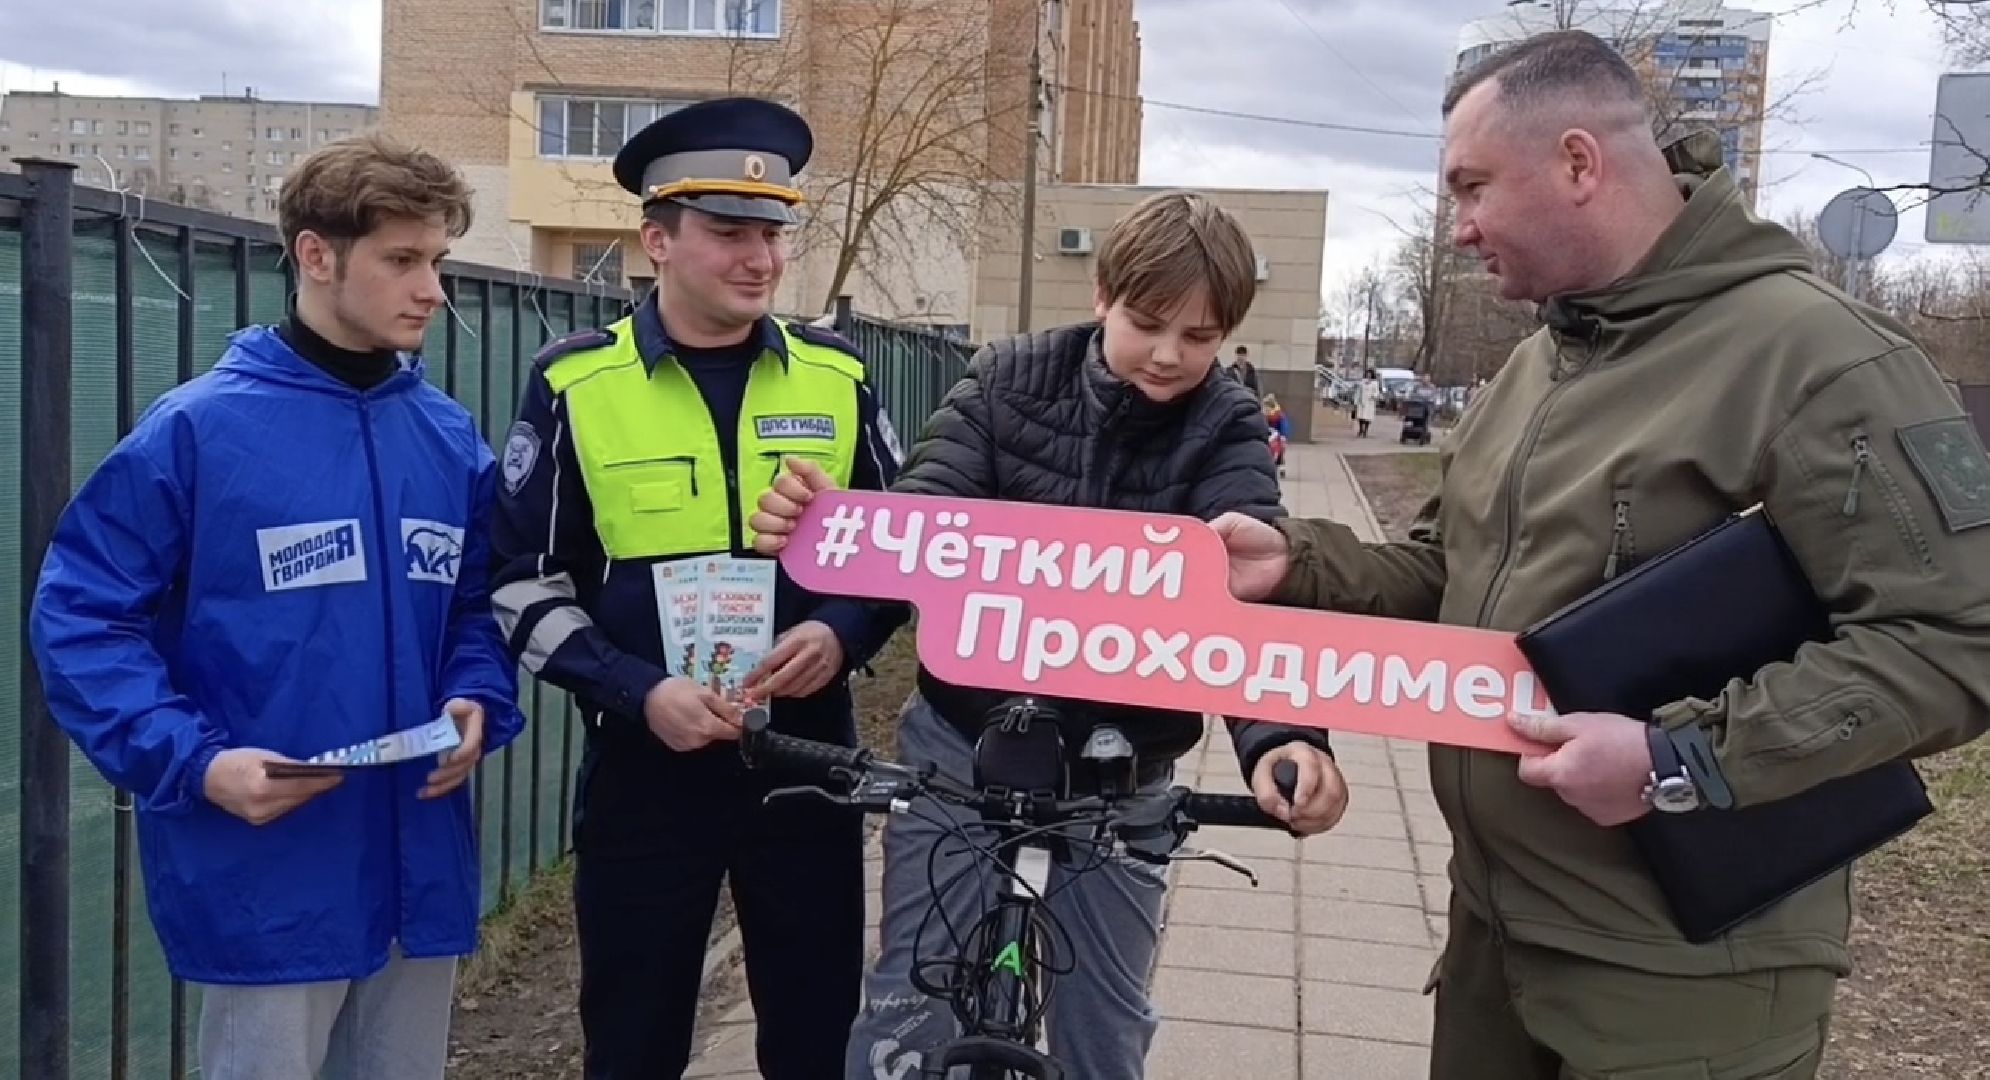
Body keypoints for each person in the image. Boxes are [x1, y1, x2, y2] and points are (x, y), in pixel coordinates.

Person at [1211, 31, 1990, 1080]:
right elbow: (1457, 573)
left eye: (1473, 187)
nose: (1461, 227)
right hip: (1496, 946)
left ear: (1578, 162)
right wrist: (1295, 562)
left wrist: (1680, 761)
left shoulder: (1822, 359)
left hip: (1680, 991)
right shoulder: (1538, 367)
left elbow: (1955, 643)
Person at [749, 189, 1350, 1080]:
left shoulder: (1226, 422)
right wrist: (834, 531)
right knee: (909, 1003)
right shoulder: (1007, 376)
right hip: (965, 741)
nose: (1169, 354)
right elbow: (926, 518)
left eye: (1199, 337)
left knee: (1104, 1024)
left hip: (1123, 762)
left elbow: (1245, 594)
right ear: (1103, 294)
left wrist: (1285, 739)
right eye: (1148, 323)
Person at [28, 134, 523, 1080]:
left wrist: (476, 698)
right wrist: (196, 762)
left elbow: (477, 603)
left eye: (439, 260)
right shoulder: (197, 432)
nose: (433, 290)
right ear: (316, 255)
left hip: (420, 864)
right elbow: (83, 621)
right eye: (403, 260)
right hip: (269, 876)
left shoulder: (448, 436)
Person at [487, 97, 907, 1079]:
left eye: (773, 234)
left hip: (807, 757)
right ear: (657, 241)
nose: (759, 259)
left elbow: (898, 555)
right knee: (633, 1041)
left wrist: (842, 634)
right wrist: (637, 690)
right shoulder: (575, 385)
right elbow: (518, 584)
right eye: (728, 232)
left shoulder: (837, 377)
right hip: (647, 767)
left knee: (815, 1036)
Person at [1353, 366, 1380, 437]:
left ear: (1372, 375)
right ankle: (1360, 430)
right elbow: (1358, 391)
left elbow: (1376, 392)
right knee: (1360, 416)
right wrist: (1356, 400)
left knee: (1368, 417)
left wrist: (1373, 396)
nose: (1368, 375)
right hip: (1362, 401)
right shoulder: (1362, 382)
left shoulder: (1375, 383)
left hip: (1370, 401)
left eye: (1370, 374)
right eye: (1367, 374)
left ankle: (1365, 431)